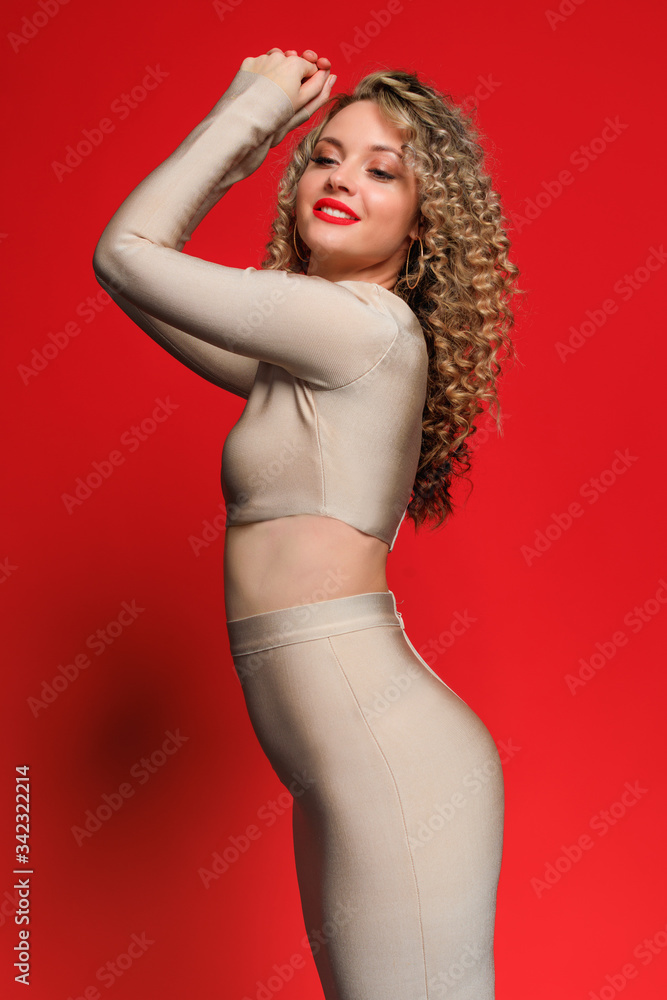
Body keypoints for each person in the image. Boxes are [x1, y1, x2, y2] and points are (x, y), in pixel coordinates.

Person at [92, 46, 521, 1000]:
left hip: (392, 756)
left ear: (424, 220)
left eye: (383, 170)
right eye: (324, 155)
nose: (341, 180)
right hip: (339, 761)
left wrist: (247, 114)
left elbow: (127, 249)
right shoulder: (309, 348)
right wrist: (251, 138)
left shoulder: (363, 330)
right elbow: (131, 281)